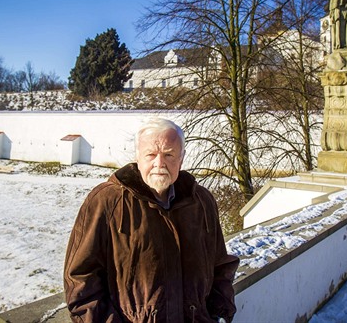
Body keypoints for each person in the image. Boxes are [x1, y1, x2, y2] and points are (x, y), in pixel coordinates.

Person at [64, 118, 239, 322]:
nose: (159, 163)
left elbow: (219, 264)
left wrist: (218, 313)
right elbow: (80, 279)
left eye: (169, 154)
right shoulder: (107, 201)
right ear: (138, 158)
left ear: (181, 159)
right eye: (151, 155)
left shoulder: (201, 202)